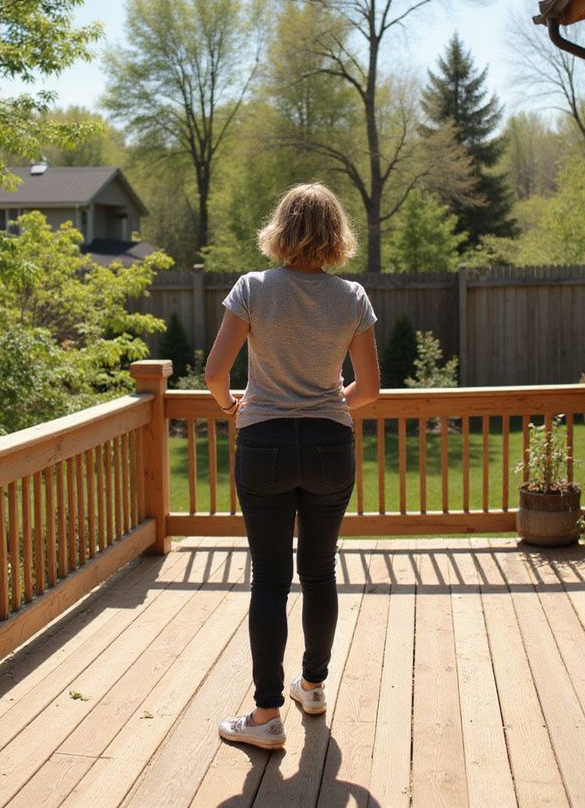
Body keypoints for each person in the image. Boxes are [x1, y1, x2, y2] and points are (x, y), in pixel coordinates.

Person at [204, 182, 380, 751]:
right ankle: (313, 686)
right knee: (321, 572)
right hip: (331, 445)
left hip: (265, 447)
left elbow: (213, 373)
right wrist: (325, 406)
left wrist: (233, 406)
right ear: (336, 235)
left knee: (272, 579)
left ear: (281, 228)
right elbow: (371, 389)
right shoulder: (351, 297)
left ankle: (265, 715)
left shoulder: (253, 289)